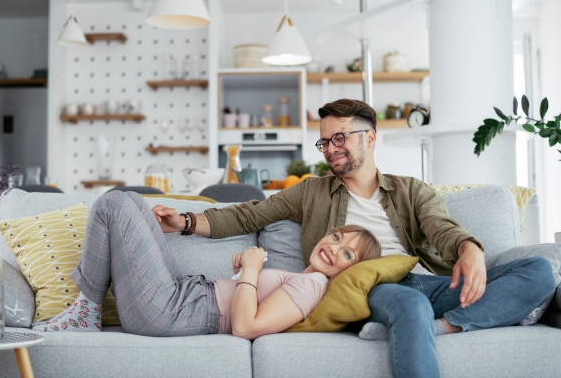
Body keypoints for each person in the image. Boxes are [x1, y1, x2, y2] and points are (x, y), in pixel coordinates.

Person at [153, 99, 556, 378]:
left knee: (539, 271)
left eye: (340, 137)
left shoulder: (411, 190)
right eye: (325, 141)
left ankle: (445, 326)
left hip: (423, 282)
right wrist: (185, 222)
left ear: (371, 137)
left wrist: (468, 248)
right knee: (410, 303)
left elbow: (441, 227)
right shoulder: (311, 191)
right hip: (367, 287)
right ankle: (421, 322)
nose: (331, 148)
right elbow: (248, 214)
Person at [33, 190, 381, 339]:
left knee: (113, 203)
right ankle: (87, 310)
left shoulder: (313, 286)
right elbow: (248, 300)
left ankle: (85, 311)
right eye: (337, 238)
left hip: (169, 311)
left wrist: (251, 271)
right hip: (181, 295)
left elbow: (246, 327)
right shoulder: (302, 278)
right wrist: (244, 272)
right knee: (132, 203)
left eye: (348, 254)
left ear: (349, 271)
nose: (336, 250)